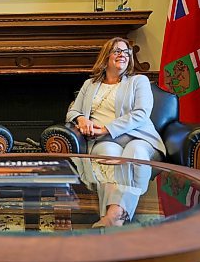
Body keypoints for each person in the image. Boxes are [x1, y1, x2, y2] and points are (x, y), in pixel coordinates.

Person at [66, 37, 166, 227]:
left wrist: (106, 128)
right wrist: (82, 119)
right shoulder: (90, 85)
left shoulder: (138, 81)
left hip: (138, 136)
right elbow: (73, 111)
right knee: (108, 156)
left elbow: (141, 113)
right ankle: (117, 216)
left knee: (135, 153)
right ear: (106, 57)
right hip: (104, 141)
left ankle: (114, 214)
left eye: (126, 51)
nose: (123, 55)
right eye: (117, 51)